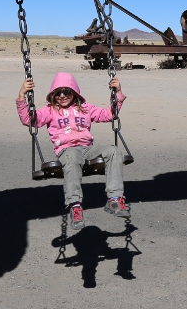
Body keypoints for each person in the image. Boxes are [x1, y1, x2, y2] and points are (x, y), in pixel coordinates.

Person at [17, 72, 129, 230]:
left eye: (67, 92)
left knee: (113, 151)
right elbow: (28, 120)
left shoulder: (85, 108)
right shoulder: (50, 110)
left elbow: (109, 114)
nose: (62, 96)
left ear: (74, 93)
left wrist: (118, 93)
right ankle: (75, 206)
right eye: (58, 93)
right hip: (67, 150)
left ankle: (115, 199)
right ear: (53, 95)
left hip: (87, 149)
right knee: (72, 156)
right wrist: (22, 95)